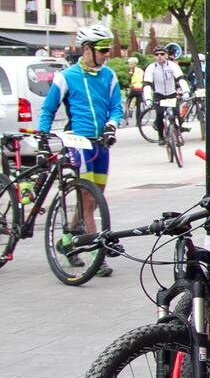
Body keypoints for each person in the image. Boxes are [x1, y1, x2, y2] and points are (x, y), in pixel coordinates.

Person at [38, 24, 122, 276]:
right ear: (87, 49)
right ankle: (97, 251)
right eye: (103, 49)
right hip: (79, 143)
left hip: (101, 144)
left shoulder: (109, 76)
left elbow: (117, 107)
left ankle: (68, 241)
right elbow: (48, 108)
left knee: (94, 200)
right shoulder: (67, 77)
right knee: (88, 198)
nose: (107, 54)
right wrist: (43, 136)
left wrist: (111, 124)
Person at [143, 44, 183, 144]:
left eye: (162, 54)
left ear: (166, 55)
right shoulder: (151, 67)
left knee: (177, 114)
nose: (159, 56)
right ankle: (161, 137)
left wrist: (185, 91)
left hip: (171, 94)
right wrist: (147, 98)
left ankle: (178, 134)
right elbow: (147, 84)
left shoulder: (172, 65)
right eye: (157, 54)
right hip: (159, 95)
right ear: (155, 57)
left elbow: (181, 78)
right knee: (159, 115)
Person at [125, 56, 146, 122]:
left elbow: (129, 80)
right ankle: (138, 121)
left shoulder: (132, 70)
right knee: (138, 106)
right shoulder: (141, 70)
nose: (129, 65)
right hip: (140, 89)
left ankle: (126, 116)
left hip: (134, 89)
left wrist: (128, 87)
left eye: (130, 64)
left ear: (134, 64)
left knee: (127, 101)